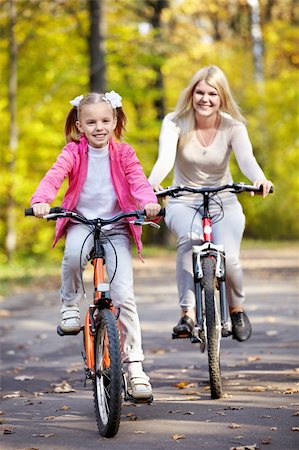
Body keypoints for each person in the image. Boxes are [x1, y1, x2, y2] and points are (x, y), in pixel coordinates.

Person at [30, 90, 161, 400]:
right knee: (73, 256)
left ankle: (135, 367)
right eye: (91, 122)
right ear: (79, 125)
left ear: (115, 121)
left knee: (124, 296)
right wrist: (41, 200)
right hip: (81, 222)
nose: (99, 127)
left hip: (116, 227)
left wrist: (149, 202)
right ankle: (70, 304)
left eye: (105, 120)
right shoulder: (73, 152)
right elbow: (54, 176)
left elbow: (138, 180)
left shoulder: (125, 153)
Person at [148, 65, 273, 342]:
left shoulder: (233, 126)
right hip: (184, 199)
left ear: (222, 97)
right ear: (191, 94)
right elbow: (165, 160)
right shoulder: (174, 122)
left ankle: (237, 309)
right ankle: (187, 314)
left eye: (212, 94)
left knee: (230, 258)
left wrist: (261, 180)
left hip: (223, 199)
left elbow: (247, 160)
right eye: (199, 92)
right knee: (189, 242)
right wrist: (151, 186)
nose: (205, 99)